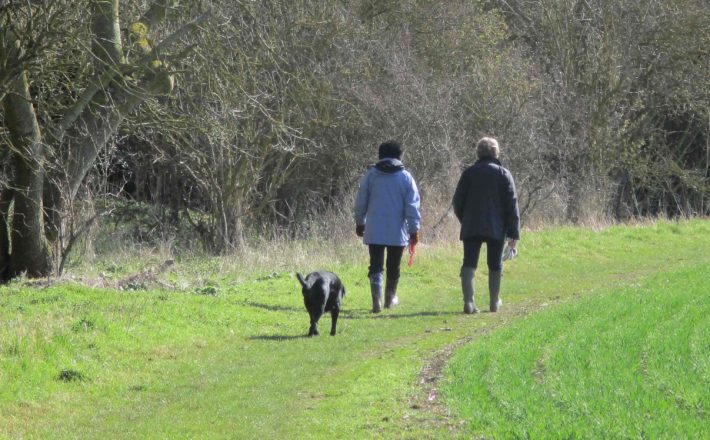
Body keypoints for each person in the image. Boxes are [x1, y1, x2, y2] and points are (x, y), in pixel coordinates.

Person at [452, 137, 519, 314]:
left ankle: (469, 302)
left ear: (478, 153)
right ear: (496, 153)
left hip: (471, 225)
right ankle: (494, 301)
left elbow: (457, 201)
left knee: (469, 262)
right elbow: (512, 205)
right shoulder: (504, 174)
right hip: (496, 227)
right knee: (495, 264)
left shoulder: (468, 173)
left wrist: (464, 219)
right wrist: (514, 233)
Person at [354, 141, 421, 313]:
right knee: (394, 266)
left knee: (375, 265)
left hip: (374, 229)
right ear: (399, 156)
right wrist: (414, 229)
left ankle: (376, 302)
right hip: (397, 231)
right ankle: (390, 300)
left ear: (380, 155)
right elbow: (412, 206)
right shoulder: (406, 177)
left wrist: (360, 221)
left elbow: (361, 201)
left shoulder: (371, 175)